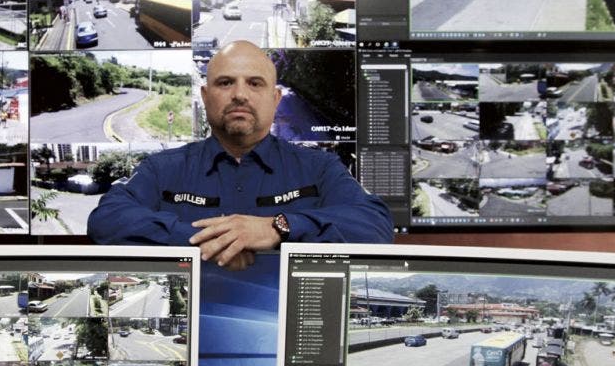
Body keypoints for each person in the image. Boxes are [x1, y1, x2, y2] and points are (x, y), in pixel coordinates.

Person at [87, 40, 393, 270]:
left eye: (254, 83)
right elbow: (105, 220)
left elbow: (375, 226)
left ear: (275, 100)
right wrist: (206, 240)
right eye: (225, 82)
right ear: (206, 98)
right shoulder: (161, 168)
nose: (240, 95)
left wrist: (279, 227)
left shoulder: (320, 168)